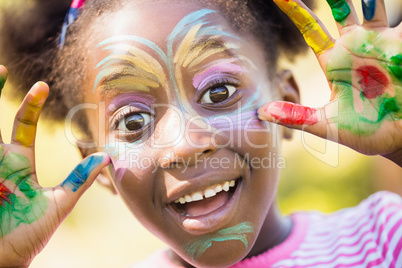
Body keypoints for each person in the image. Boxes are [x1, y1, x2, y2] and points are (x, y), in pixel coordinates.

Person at [0, 0, 401, 267]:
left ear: (288, 99)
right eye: (133, 122)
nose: (186, 144)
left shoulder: (382, 239)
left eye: (219, 92)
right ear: (96, 165)